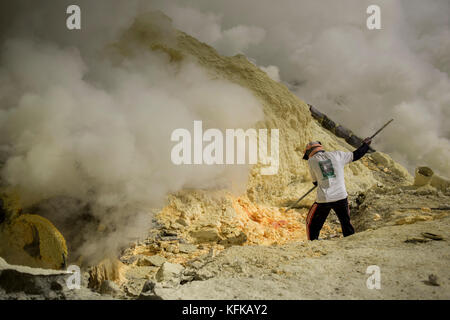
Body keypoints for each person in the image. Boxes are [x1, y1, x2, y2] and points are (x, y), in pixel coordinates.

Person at [303, 138, 372, 240]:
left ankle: (313, 242)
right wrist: (365, 145)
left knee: (312, 224)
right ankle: (350, 241)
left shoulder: (312, 161)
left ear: (310, 152)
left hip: (324, 199)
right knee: (346, 223)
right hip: (341, 196)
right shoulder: (338, 155)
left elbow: (315, 182)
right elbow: (356, 155)